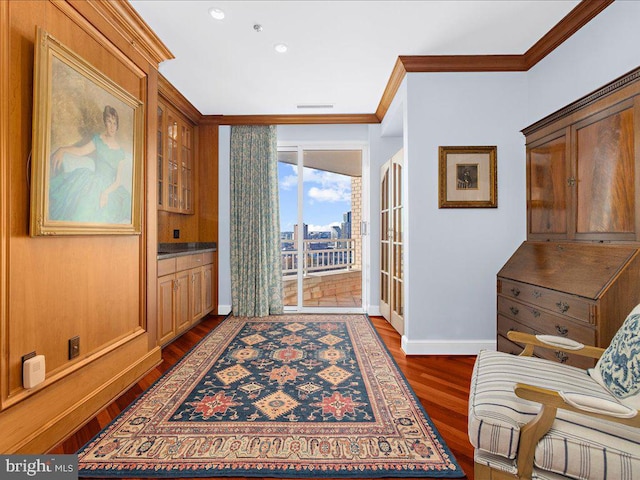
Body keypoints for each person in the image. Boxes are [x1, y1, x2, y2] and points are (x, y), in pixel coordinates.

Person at [49, 105, 131, 224]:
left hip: (110, 188)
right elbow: (81, 151)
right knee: (81, 212)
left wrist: (105, 193)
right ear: (105, 123)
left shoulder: (120, 153)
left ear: (117, 125)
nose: (112, 126)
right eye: (109, 122)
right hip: (94, 181)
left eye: (114, 123)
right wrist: (63, 149)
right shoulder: (98, 140)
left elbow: (118, 181)